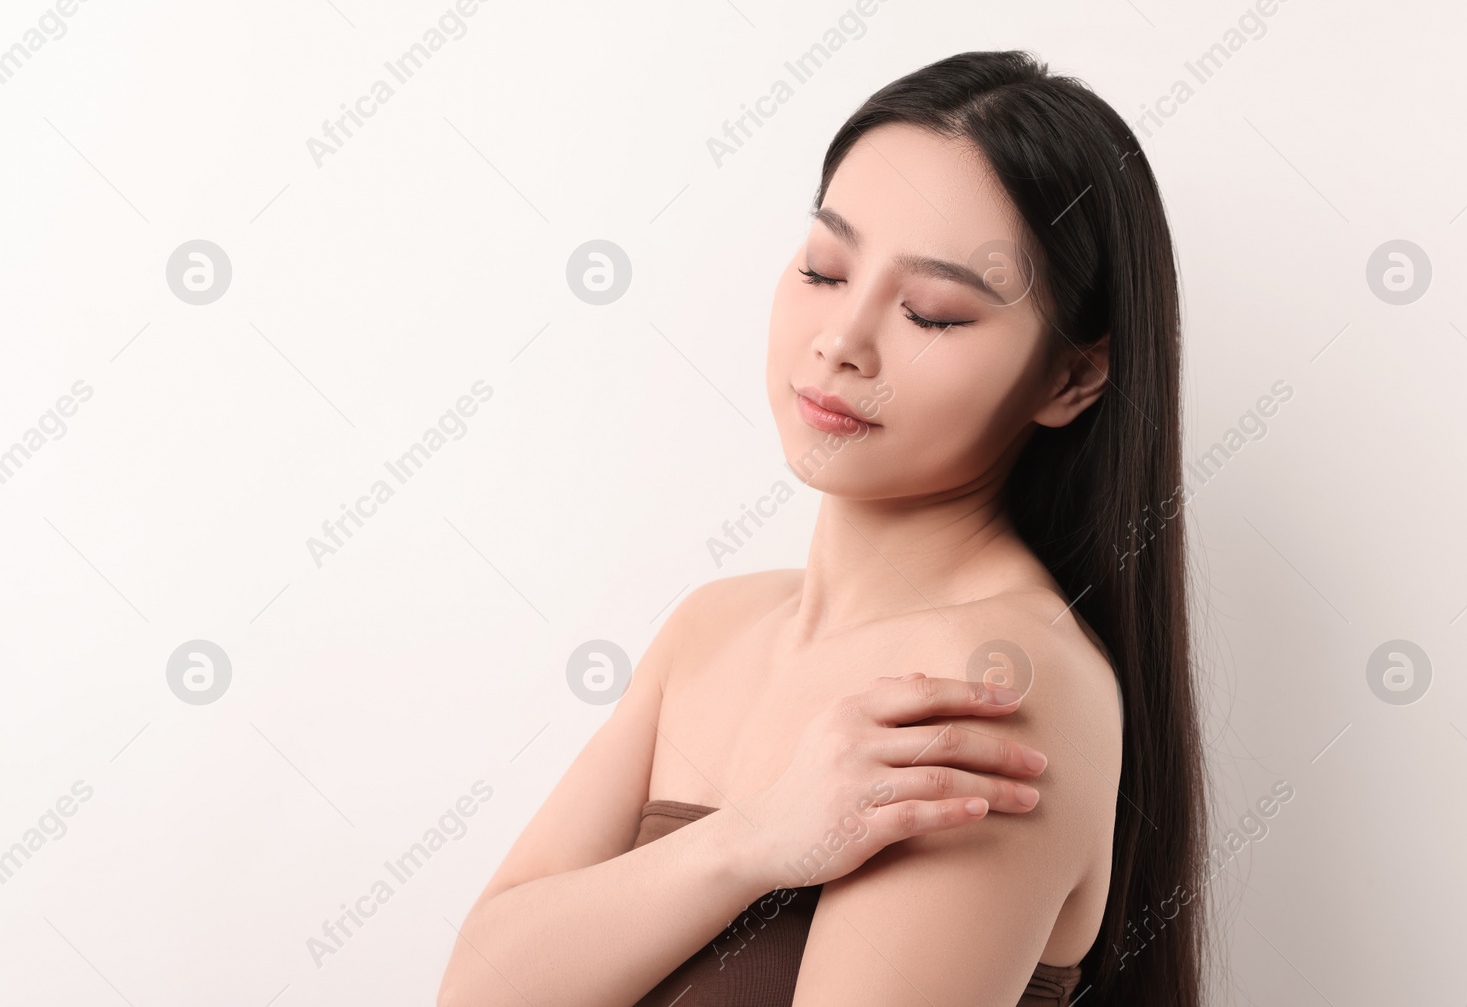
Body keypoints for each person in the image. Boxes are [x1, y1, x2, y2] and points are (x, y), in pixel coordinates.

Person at [438, 50, 1205, 1007]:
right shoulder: (710, 629)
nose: (843, 338)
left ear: (1070, 379)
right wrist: (754, 838)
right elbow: (481, 988)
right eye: (825, 267)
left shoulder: (997, 680)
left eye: (931, 312)